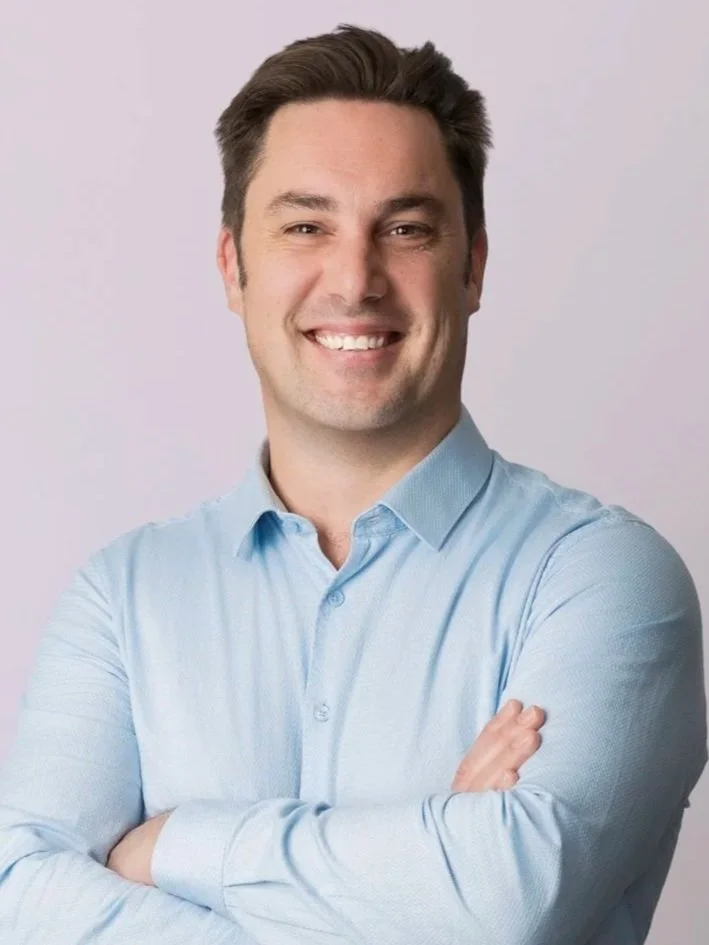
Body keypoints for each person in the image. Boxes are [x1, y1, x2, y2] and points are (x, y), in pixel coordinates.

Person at [0, 23, 706, 945]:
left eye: (405, 228)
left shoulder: (604, 577)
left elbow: (505, 902)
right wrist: (428, 869)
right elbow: (20, 899)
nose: (355, 278)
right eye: (305, 226)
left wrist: (169, 845)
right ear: (232, 267)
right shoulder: (124, 596)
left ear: (474, 265)